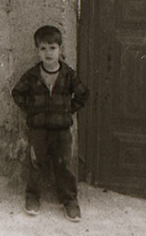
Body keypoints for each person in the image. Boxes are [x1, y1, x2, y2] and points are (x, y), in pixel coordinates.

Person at [11, 25, 89, 222]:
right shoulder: (32, 76)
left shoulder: (68, 75)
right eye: (43, 48)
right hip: (38, 129)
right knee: (36, 162)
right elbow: (17, 93)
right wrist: (32, 110)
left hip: (62, 129)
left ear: (60, 50)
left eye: (52, 48)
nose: (48, 53)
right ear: (37, 51)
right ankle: (32, 197)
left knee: (64, 165)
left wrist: (68, 110)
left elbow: (82, 94)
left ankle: (69, 201)